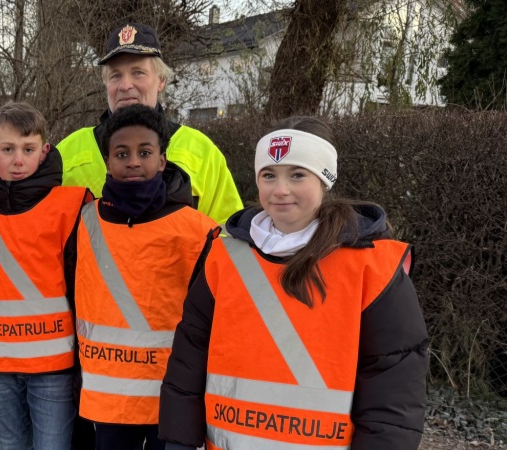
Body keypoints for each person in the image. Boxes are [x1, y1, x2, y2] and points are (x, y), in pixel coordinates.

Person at [159, 116, 428, 449]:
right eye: (269, 175)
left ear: (325, 179)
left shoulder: (373, 267)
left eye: (297, 174)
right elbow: (189, 358)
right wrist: (179, 442)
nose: (280, 190)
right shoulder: (223, 257)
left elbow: (392, 391)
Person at [75, 104, 218, 450]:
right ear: (107, 162)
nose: (133, 162)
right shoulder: (84, 221)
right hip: (109, 398)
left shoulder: (198, 230)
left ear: (163, 159)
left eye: (145, 152)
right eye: (122, 153)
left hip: (171, 394)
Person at [0, 101, 92, 450]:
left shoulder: (73, 205)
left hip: (54, 366)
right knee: (11, 444)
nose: (18, 160)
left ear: (45, 151)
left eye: (28, 149)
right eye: (7, 149)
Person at [58, 22, 242, 225]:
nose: (125, 85)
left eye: (138, 72)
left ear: (161, 80)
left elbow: (229, 230)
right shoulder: (68, 152)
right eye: (116, 75)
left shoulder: (202, 151)